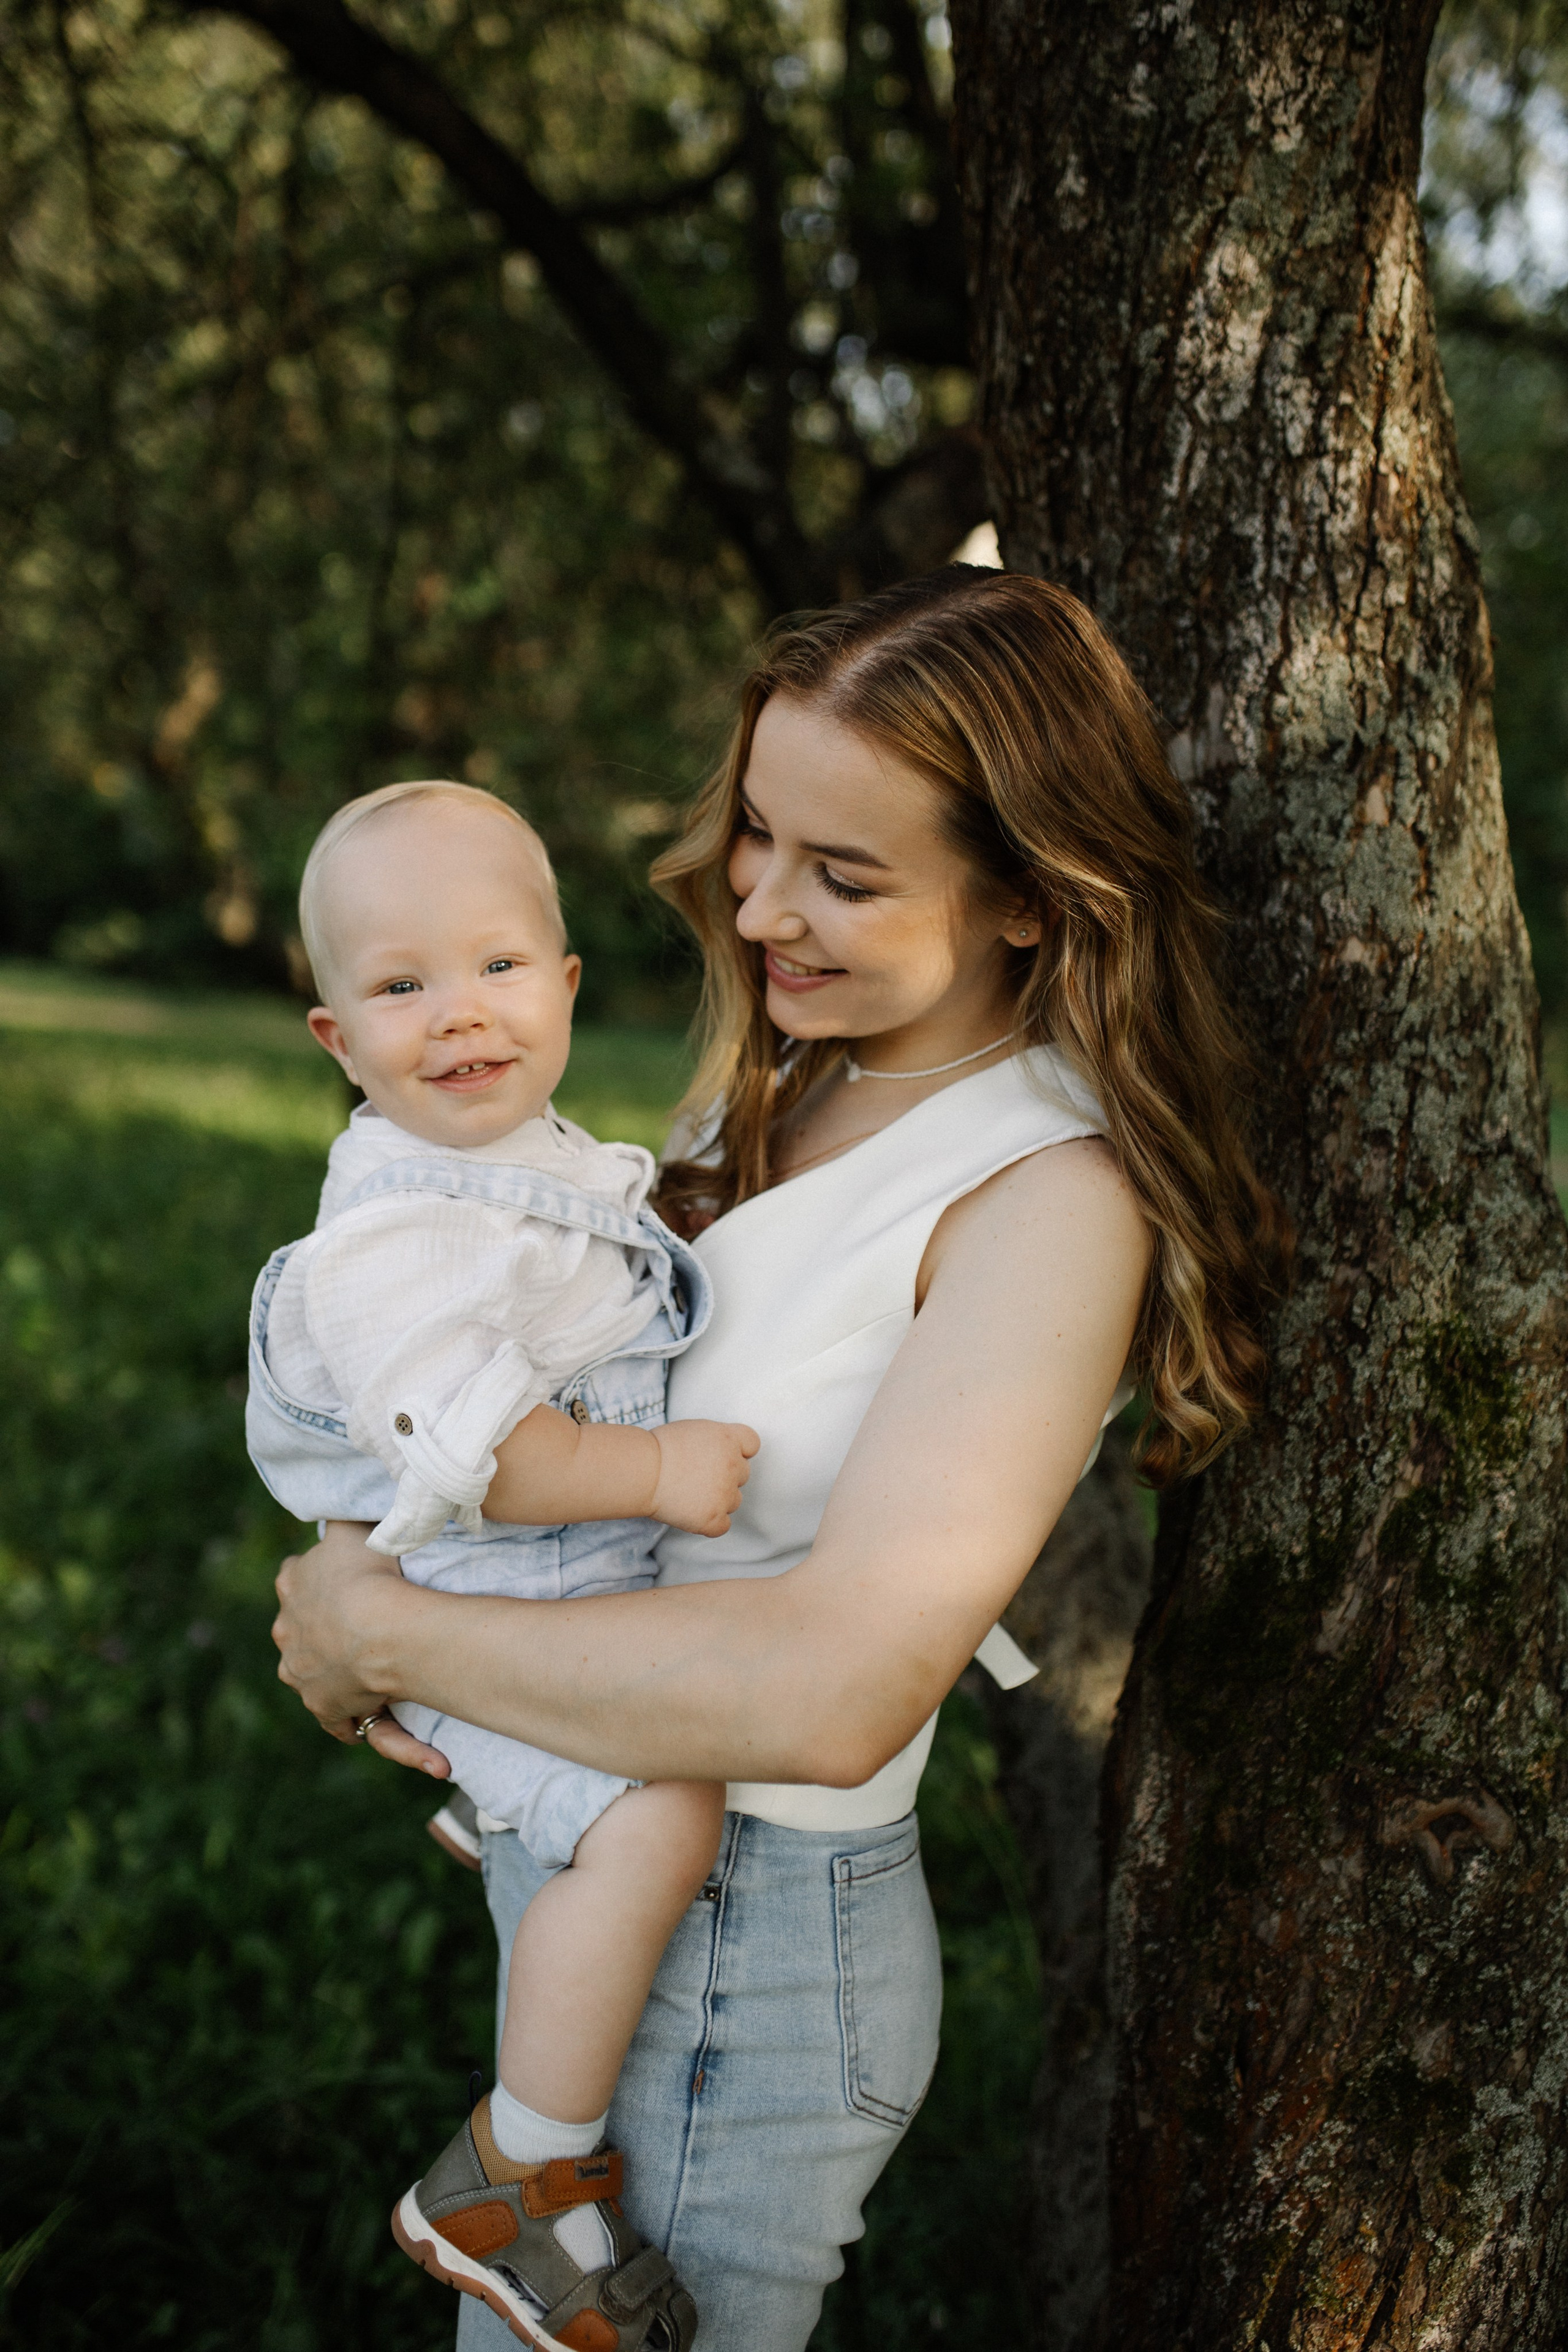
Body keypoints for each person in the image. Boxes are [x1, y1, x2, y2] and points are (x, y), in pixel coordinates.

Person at [271, 566, 1285, 2352]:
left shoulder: (1045, 1198)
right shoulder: (800, 1075)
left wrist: (384, 1634)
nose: (756, 906)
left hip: (749, 1941)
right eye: (756, 833)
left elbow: (836, 1691)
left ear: (1030, 897)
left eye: (844, 874)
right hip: (629, 1868)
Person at [246, 778, 760, 2351]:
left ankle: (503, 1805)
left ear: (566, 985)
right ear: (338, 1038)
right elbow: (484, 1452)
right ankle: (515, 2171)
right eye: (401, 985)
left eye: (496, 966)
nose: (459, 1012)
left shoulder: (529, 1159)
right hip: (497, 1597)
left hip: (540, 1596)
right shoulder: (400, 1236)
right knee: (665, 1814)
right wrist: (654, 1472)